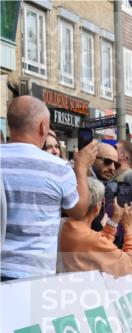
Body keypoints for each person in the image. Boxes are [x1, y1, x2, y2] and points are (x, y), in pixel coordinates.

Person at [1, 95, 96, 280]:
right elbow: (78, 211)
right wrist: (82, 168)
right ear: (43, 126)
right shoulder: (58, 168)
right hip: (33, 275)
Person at [59, 178, 132, 277]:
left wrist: (114, 220)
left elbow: (98, 245)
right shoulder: (90, 239)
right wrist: (129, 228)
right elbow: (131, 265)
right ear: (97, 207)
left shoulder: (63, 224)